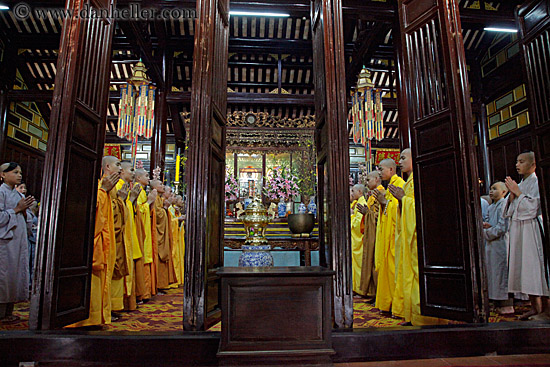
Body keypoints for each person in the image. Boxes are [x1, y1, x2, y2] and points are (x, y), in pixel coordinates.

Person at [389, 149, 445, 326]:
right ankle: (412, 314)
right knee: (408, 274)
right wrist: (401, 200)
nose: (400, 162)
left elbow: (424, 208)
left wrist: (403, 199)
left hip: (418, 235)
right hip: (407, 234)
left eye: (404, 158)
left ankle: (424, 316)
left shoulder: (420, 179)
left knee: (417, 273)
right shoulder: (409, 181)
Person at [68, 156, 120, 327]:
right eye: (117, 165)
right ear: (106, 167)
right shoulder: (96, 188)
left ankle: (96, 317)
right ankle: (85, 318)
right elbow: (89, 214)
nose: (119, 169)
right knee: (91, 282)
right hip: (91, 245)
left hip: (105, 242)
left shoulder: (107, 189)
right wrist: (103, 191)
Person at [504, 152, 550, 321]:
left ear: (533, 164)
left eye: (522, 161)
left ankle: (546, 309)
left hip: (532, 230)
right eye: (516, 161)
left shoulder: (537, 181)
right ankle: (535, 307)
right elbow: (508, 210)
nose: (517, 164)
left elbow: (534, 207)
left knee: (535, 269)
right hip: (519, 230)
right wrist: (514, 194)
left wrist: (518, 193)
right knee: (524, 269)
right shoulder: (522, 183)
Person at [0, 162, 35, 323]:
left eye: (20, 172)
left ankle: (9, 311)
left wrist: (27, 210)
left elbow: (26, 216)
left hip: (18, 240)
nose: (19, 175)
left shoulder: (19, 195)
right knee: (4, 277)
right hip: (5, 243)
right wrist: (16, 209)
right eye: (15, 172)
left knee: (14, 276)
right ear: (3, 175)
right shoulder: (1, 192)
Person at [372, 158, 405, 315]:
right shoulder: (390, 185)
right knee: (386, 269)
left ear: (391, 170)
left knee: (393, 269)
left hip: (393, 236)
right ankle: (387, 303)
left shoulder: (399, 184)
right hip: (387, 235)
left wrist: (385, 202)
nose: (379, 172)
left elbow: (399, 208)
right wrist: (384, 203)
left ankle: (395, 304)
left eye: (381, 169)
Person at [483, 181, 513, 315]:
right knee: (493, 274)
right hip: (491, 245)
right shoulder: (491, 207)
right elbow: (489, 223)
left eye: (495, 189)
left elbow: (502, 227)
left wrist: (488, 233)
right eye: (490, 189)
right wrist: (486, 229)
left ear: (504, 192)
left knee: (502, 273)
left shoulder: (503, 206)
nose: (491, 191)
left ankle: (507, 305)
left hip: (501, 244)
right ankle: (497, 303)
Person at [117, 162, 142, 311]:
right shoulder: (118, 186)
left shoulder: (127, 187)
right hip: (121, 234)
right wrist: (130, 200)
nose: (132, 173)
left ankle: (124, 303)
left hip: (129, 232)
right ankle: (117, 305)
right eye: (130, 170)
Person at [356, 171, 384, 302]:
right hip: (370, 232)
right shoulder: (373, 195)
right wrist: (367, 214)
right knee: (371, 261)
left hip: (377, 233)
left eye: (368, 180)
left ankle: (379, 293)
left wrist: (368, 214)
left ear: (377, 179)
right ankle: (374, 292)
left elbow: (380, 215)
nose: (366, 183)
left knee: (375, 262)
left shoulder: (381, 193)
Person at [135, 169, 157, 301]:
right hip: (141, 230)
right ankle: (142, 293)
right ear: (138, 177)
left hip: (146, 229)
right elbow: (137, 210)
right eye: (146, 176)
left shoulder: (142, 192)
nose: (148, 179)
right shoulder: (138, 191)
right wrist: (149, 202)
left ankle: (145, 292)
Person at [150, 180, 174, 291]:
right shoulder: (154, 197)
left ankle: (161, 284)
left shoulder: (159, 199)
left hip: (162, 234)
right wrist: (164, 208)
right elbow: (156, 214)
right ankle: (157, 285)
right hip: (158, 233)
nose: (162, 186)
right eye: (160, 184)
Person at [350, 184, 367, 296]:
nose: (351, 193)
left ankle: (360, 288)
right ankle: (356, 287)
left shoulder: (362, 203)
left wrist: (350, 216)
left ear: (360, 192)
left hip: (359, 239)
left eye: (353, 191)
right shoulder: (357, 203)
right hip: (355, 239)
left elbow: (358, 224)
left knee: (359, 264)